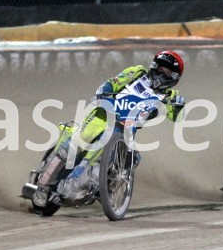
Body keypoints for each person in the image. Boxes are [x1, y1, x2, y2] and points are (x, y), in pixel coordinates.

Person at [33, 51, 186, 207]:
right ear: (154, 67)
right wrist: (103, 92)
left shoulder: (170, 96)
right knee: (72, 147)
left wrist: (180, 106)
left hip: (125, 131)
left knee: (130, 159)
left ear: (174, 78)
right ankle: (42, 187)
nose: (162, 73)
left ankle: (105, 188)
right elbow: (112, 82)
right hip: (101, 116)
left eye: (167, 72)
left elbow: (177, 117)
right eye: (161, 68)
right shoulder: (137, 73)